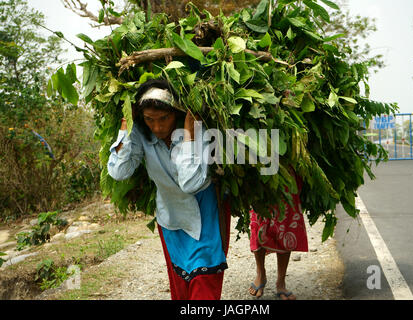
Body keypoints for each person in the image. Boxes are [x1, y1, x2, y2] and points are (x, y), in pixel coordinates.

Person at [107, 79, 230, 300]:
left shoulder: (195, 129)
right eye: (149, 120)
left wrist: (189, 136)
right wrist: (126, 128)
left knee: (204, 286)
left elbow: (191, 183)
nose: (157, 127)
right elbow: (119, 171)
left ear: (176, 112)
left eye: (164, 118)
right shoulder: (142, 135)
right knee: (181, 289)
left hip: (205, 215)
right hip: (170, 219)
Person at [248, 172, 308, 300]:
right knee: (259, 222)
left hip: (287, 167)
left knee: (286, 222)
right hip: (259, 165)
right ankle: (260, 273)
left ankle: (281, 282)